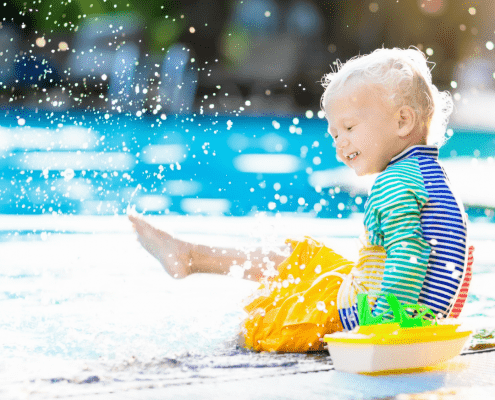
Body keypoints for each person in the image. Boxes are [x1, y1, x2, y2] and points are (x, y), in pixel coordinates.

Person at [129, 47, 474, 353]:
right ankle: (189, 256)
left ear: (403, 121)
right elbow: (456, 260)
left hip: (367, 317)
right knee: (301, 259)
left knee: (271, 319)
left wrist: (378, 335)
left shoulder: (394, 184)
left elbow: (410, 256)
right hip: (386, 305)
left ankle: (218, 338)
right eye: (334, 133)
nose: (339, 143)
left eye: (349, 128)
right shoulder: (432, 178)